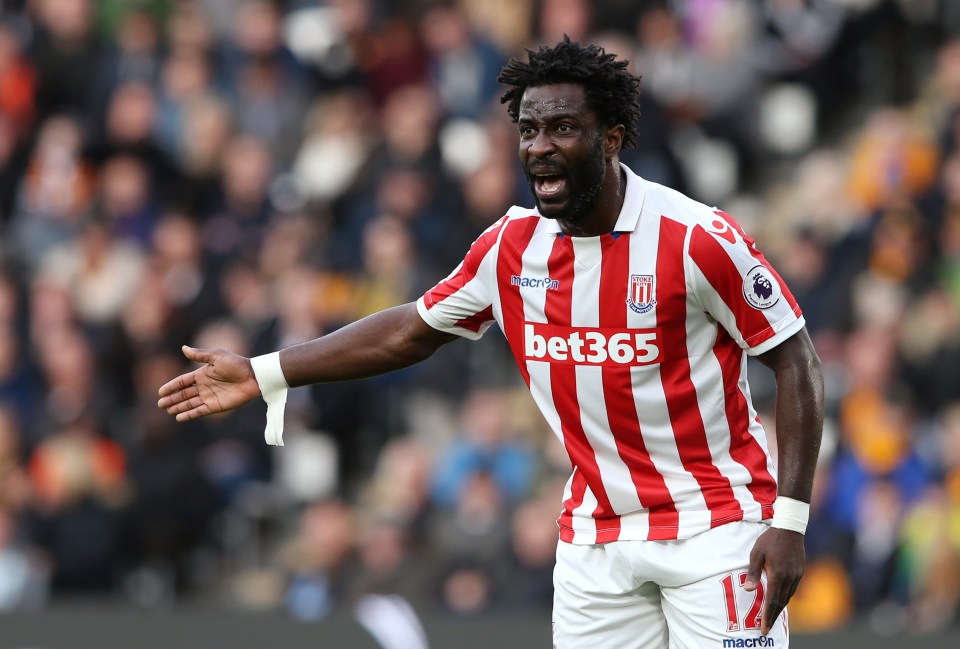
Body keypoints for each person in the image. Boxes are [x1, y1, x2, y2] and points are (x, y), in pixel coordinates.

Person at [158, 37, 823, 648]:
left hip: (717, 528)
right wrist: (268, 371)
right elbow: (411, 329)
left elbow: (796, 360)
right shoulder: (511, 247)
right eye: (529, 129)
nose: (539, 146)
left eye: (563, 127)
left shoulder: (694, 237)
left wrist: (789, 520)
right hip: (597, 537)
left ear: (612, 137)